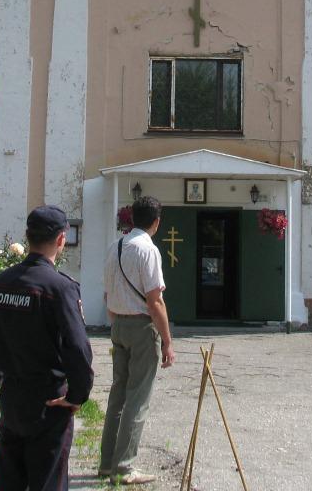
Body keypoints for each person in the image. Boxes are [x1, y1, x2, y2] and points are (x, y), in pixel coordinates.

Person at [0, 205, 94, 491]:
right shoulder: (60, 287)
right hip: (49, 402)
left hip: (12, 397)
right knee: (47, 480)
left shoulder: (3, 281)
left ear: (27, 236)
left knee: (11, 479)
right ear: (62, 239)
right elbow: (78, 348)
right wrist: (77, 395)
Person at [99, 195, 176, 485]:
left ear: (132, 218)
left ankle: (107, 462)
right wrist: (167, 340)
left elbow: (108, 293)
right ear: (156, 222)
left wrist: (116, 322)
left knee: (118, 395)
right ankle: (125, 466)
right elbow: (155, 300)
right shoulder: (148, 250)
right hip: (142, 327)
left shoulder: (114, 247)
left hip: (118, 324)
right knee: (138, 398)